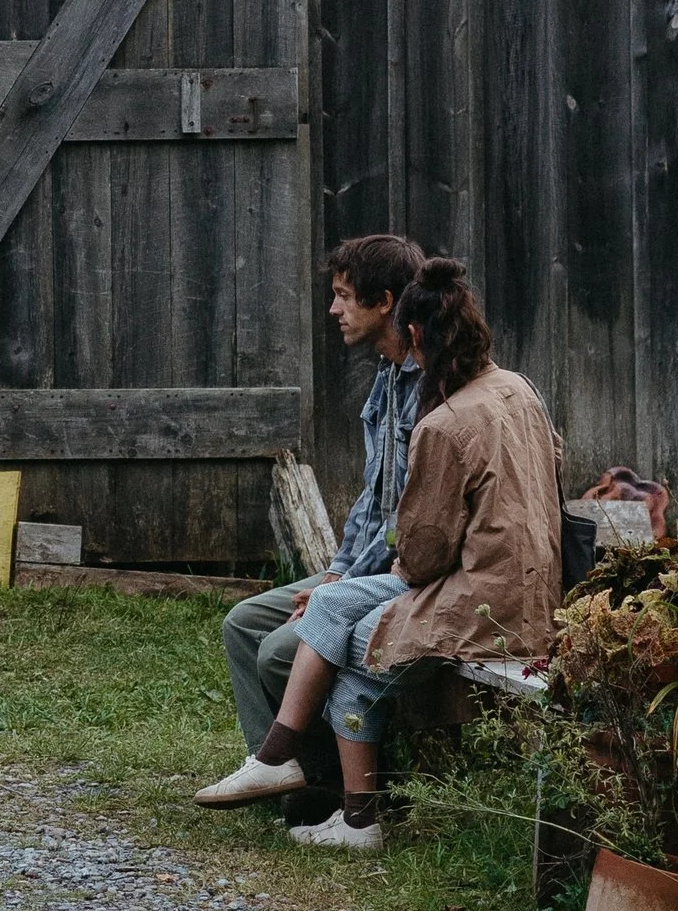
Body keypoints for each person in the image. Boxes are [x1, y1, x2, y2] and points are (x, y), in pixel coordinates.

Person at [193, 257, 562, 853]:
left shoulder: (443, 422)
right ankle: (326, 796)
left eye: (343, 296)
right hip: (525, 586)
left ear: (416, 333)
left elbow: (423, 551)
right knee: (346, 619)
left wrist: (396, 568)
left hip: (479, 595)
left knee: (352, 629)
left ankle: (311, 782)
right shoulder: (518, 389)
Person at [215, 235, 423, 817]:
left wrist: (340, 589)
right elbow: (372, 501)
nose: (333, 310)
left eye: (343, 297)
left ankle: (320, 792)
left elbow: (411, 522)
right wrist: (333, 572)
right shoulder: (386, 378)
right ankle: (271, 782)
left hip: (405, 578)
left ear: (385, 302)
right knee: (243, 624)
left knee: (282, 649)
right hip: (360, 571)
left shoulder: (428, 389)